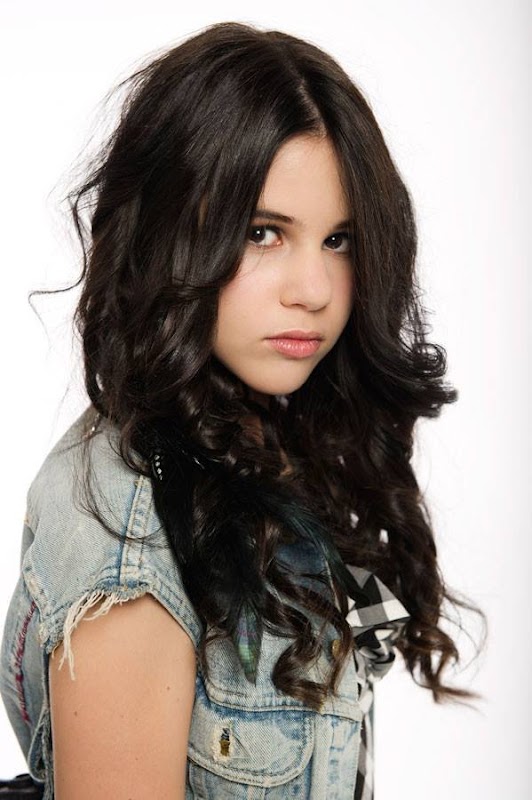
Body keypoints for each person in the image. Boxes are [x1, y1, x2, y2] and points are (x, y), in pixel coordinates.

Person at [0, 20, 486, 800]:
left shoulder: (257, 443)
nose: (314, 289)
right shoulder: (133, 529)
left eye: (339, 240)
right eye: (264, 233)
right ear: (169, 232)